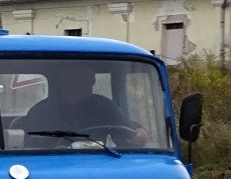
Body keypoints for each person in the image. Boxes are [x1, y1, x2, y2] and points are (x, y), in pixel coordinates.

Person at [19, 61, 148, 146]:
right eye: (81, 79)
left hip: (100, 162)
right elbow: (31, 144)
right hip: (55, 164)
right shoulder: (41, 111)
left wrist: (138, 130)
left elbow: (124, 126)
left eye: (90, 79)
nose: (90, 84)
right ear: (64, 82)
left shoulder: (104, 106)